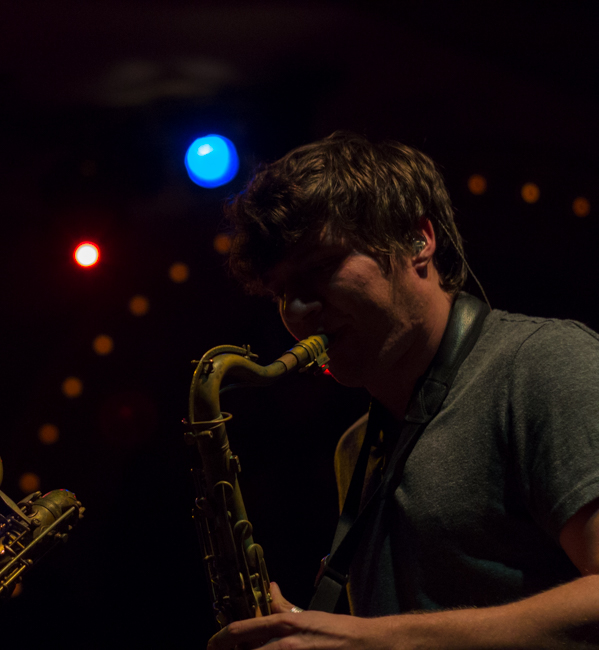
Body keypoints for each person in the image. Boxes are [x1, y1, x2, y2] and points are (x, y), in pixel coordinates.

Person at [208, 132, 599, 649]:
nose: (297, 312)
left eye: (320, 268)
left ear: (418, 240)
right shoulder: (355, 448)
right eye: (282, 292)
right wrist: (304, 631)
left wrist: (374, 640)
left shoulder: (543, 363)